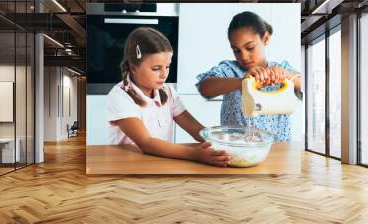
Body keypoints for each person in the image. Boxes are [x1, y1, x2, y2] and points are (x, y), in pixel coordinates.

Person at [107, 27, 230, 167]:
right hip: (127, 169)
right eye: (156, 68)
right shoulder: (119, 96)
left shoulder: (168, 92)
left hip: (161, 166)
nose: (164, 74)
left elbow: (197, 130)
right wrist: (195, 154)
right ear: (133, 67)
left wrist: (224, 143)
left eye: (167, 67)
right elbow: (146, 142)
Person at [196, 11, 302, 142]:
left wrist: (285, 75)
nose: (243, 56)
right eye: (236, 50)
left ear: (266, 39)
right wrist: (242, 82)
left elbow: (302, 83)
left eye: (250, 47)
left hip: (278, 149)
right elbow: (204, 87)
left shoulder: (281, 69)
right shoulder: (230, 69)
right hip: (237, 149)